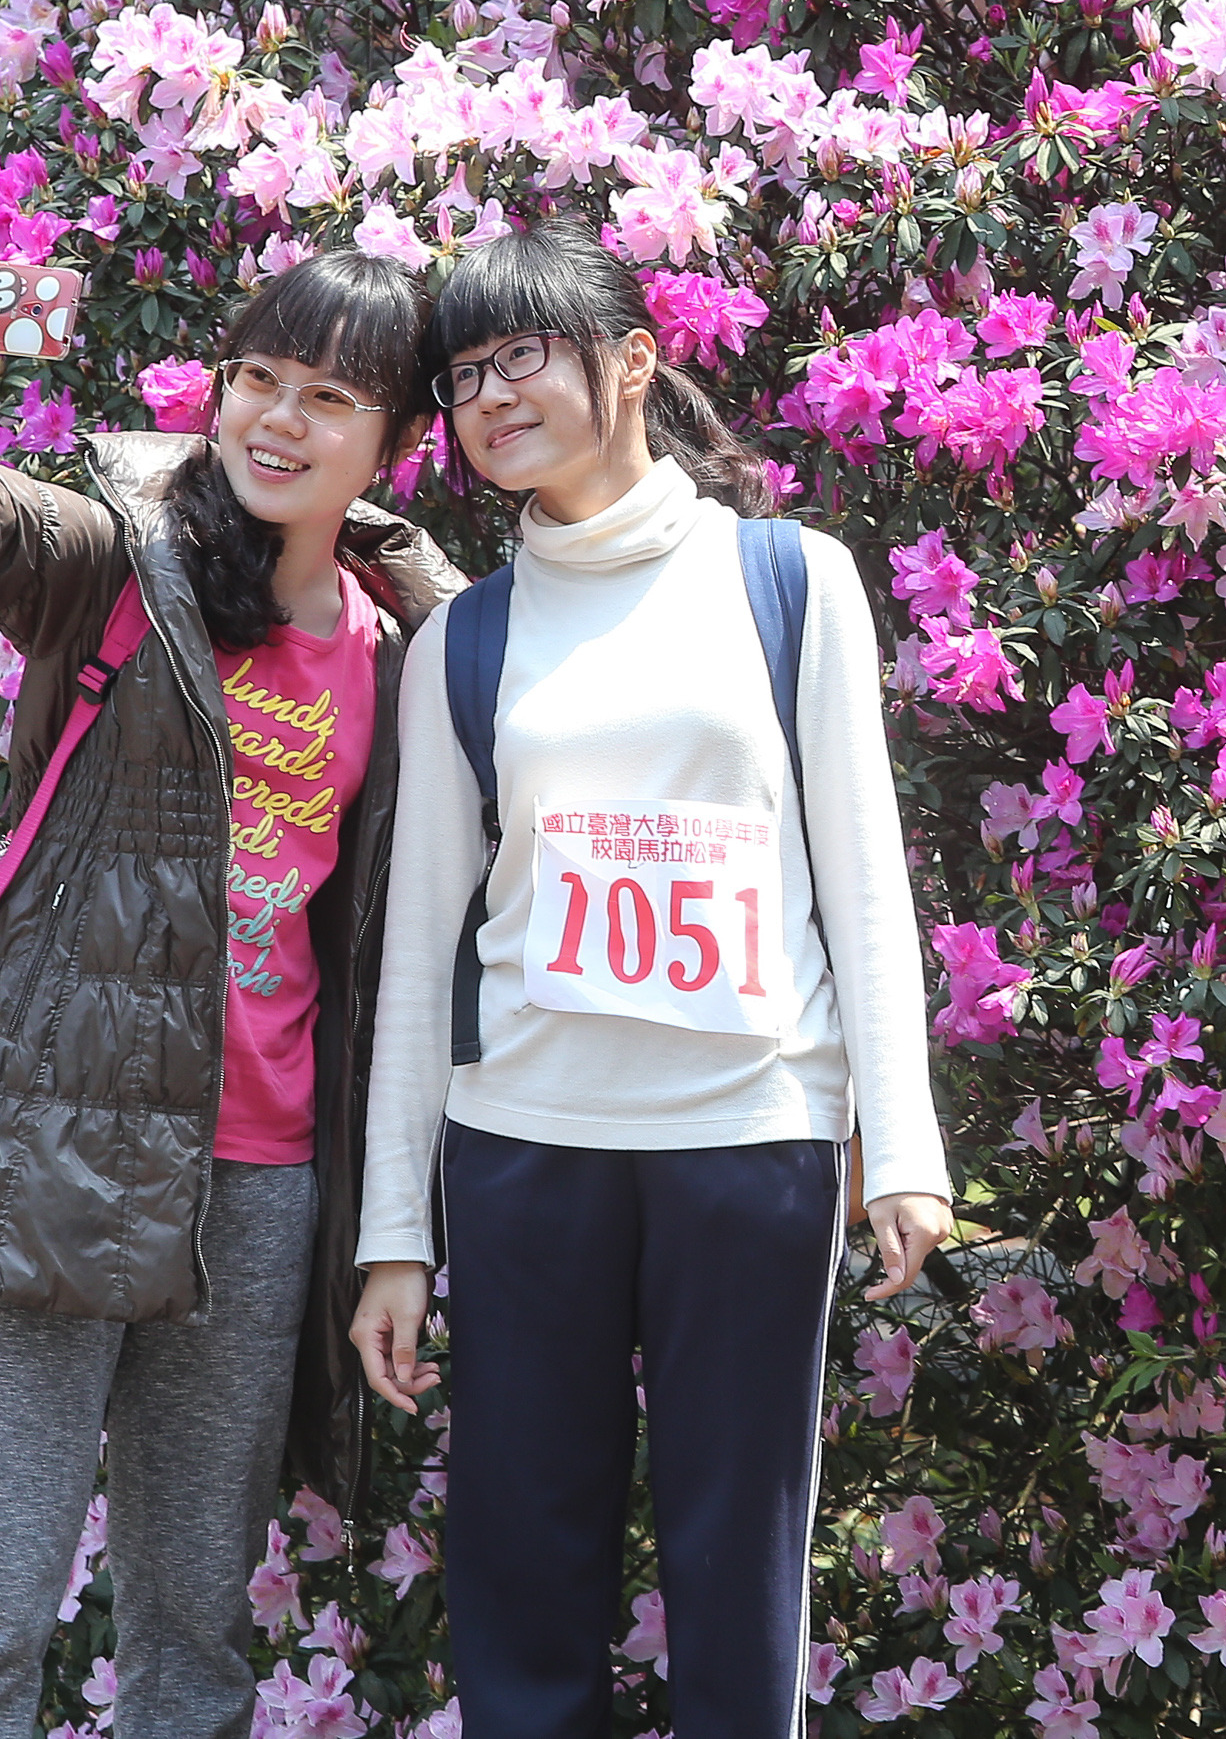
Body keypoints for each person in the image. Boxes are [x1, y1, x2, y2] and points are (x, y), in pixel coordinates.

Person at [0, 240, 464, 1739]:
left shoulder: (411, 643)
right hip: (46, 1145)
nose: (279, 418)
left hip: (261, 1181)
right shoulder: (118, 562)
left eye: (330, 396)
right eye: (258, 377)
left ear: (395, 441)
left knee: (193, 1637)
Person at [349, 217, 953, 1739]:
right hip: (525, 1148)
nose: (489, 396)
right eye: (462, 376)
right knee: (521, 1567)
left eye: (521, 356)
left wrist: (903, 1145)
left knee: (738, 1563)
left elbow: (862, 878)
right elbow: (423, 948)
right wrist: (396, 1236)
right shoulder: (464, 641)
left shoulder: (791, 583)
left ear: (630, 362)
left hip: (748, 1140)